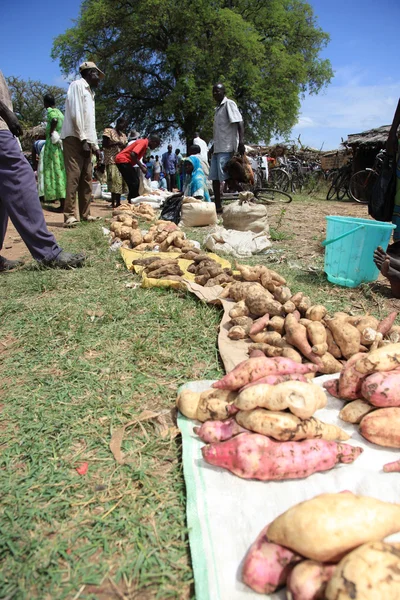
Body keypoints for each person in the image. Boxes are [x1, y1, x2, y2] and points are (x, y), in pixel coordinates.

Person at [0, 70, 85, 271]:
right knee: (20, 176)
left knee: (2, 193)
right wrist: (6, 113)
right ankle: (48, 252)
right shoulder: (55, 114)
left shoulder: (53, 114)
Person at [61, 61, 105, 227]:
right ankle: (69, 215)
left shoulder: (91, 93)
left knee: (87, 178)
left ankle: (85, 214)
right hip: (74, 137)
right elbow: (75, 114)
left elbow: (90, 123)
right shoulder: (77, 85)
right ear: (89, 73)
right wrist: (83, 140)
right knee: (74, 176)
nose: (98, 80)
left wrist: (96, 147)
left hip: (86, 139)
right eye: (97, 75)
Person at [210, 83, 244, 214]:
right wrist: (212, 147)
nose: (215, 94)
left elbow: (240, 122)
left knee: (228, 179)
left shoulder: (229, 104)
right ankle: (217, 207)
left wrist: (241, 142)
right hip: (218, 148)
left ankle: (248, 198)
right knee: (215, 179)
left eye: (218, 91)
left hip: (227, 147)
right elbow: (220, 131)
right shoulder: (217, 109)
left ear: (223, 92)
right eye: (213, 92)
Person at [115, 134, 161, 200]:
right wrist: (142, 167)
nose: (155, 148)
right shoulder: (143, 142)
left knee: (134, 181)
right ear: (153, 142)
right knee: (134, 182)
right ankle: (133, 200)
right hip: (123, 160)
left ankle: (132, 199)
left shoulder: (144, 145)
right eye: (156, 145)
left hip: (125, 161)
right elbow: (133, 154)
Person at [42, 94, 67, 212]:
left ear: (46, 103)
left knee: (52, 171)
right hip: (59, 145)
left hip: (52, 146)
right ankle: (64, 202)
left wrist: (51, 131)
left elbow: (54, 120)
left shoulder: (50, 111)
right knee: (60, 172)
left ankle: (62, 204)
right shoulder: (60, 112)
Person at [102, 116, 128, 208]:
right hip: (111, 160)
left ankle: (118, 202)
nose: (124, 127)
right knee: (114, 181)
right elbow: (104, 144)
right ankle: (113, 202)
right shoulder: (109, 132)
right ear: (118, 123)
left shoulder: (123, 136)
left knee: (120, 182)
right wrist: (116, 143)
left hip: (121, 160)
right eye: (123, 125)